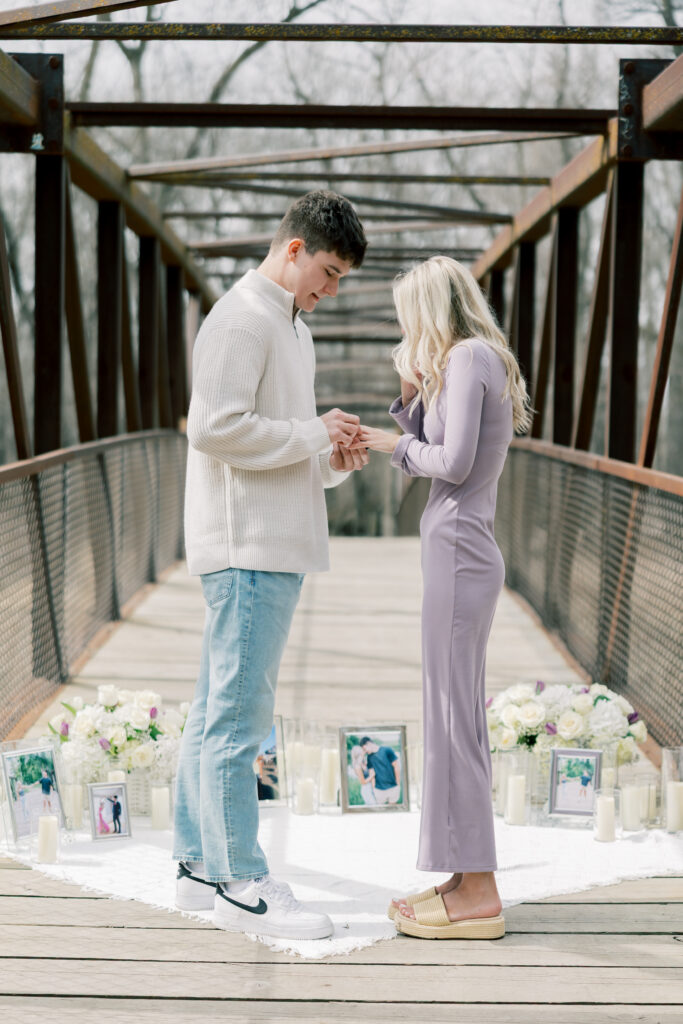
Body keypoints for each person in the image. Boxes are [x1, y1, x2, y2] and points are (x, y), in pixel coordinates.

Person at [173, 191, 368, 941]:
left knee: (214, 709)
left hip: (272, 544)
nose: (330, 289)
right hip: (246, 549)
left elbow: (285, 449)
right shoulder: (241, 318)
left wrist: (333, 454)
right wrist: (309, 433)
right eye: (326, 271)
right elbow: (216, 432)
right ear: (291, 250)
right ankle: (238, 881)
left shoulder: (290, 326)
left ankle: (197, 864)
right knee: (237, 718)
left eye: (340, 278)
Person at [351, 256, 531, 940]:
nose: (405, 329)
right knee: (450, 713)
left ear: (428, 310)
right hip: (456, 550)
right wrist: (408, 396)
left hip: (456, 551)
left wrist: (390, 445)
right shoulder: (471, 360)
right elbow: (441, 445)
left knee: (454, 719)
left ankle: (478, 888)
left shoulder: (466, 358)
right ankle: (460, 873)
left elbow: (447, 463)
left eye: (407, 317)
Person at [360, 738, 400, 805]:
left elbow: (396, 766)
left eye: (364, 749)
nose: (365, 751)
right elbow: (371, 774)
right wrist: (374, 789)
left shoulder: (387, 750)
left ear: (369, 743)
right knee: (381, 812)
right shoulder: (369, 757)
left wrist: (398, 783)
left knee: (393, 810)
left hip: (393, 786)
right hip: (378, 789)